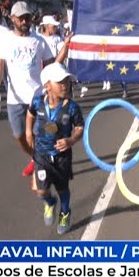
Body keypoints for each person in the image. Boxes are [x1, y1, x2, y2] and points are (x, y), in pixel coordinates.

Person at [0, 1, 71, 177]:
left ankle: (44, 161)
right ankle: (36, 157)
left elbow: (52, 65)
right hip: (15, 99)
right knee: (19, 136)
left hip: (38, 97)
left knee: (39, 135)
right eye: (21, 18)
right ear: (12, 18)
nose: (25, 21)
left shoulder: (39, 41)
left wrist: (66, 47)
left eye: (27, 18)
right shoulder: (5, 40)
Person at [26, 62, 85, 235]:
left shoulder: (72, 107)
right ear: (47, 86)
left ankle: (65, 213)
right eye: (60, 82)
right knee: (41, 190)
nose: (65, 85)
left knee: (62, 188)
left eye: (67, 81)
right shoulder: (38, 102)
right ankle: (50, 202)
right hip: (41, 154)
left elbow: (80, 128)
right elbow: (30, 113)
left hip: (62, 156)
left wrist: (71, 140)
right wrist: (28, 131)